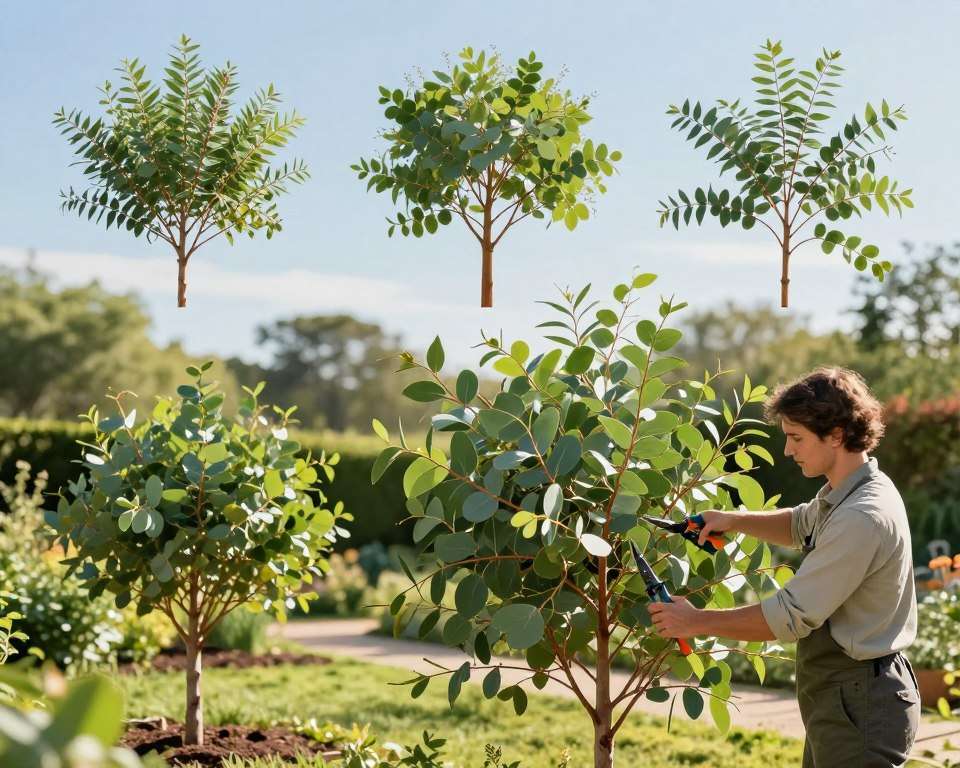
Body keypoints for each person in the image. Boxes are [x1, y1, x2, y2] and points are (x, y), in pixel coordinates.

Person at [648, 367, 920, 767]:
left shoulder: (863, 516)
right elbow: (800, 522)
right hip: (846, 699)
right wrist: (733, 519)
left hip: (860, 703)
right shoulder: (852, 491)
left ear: (838, 435)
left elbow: (790, 617)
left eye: (796, 438)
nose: (789, 451)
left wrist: (694, 622)